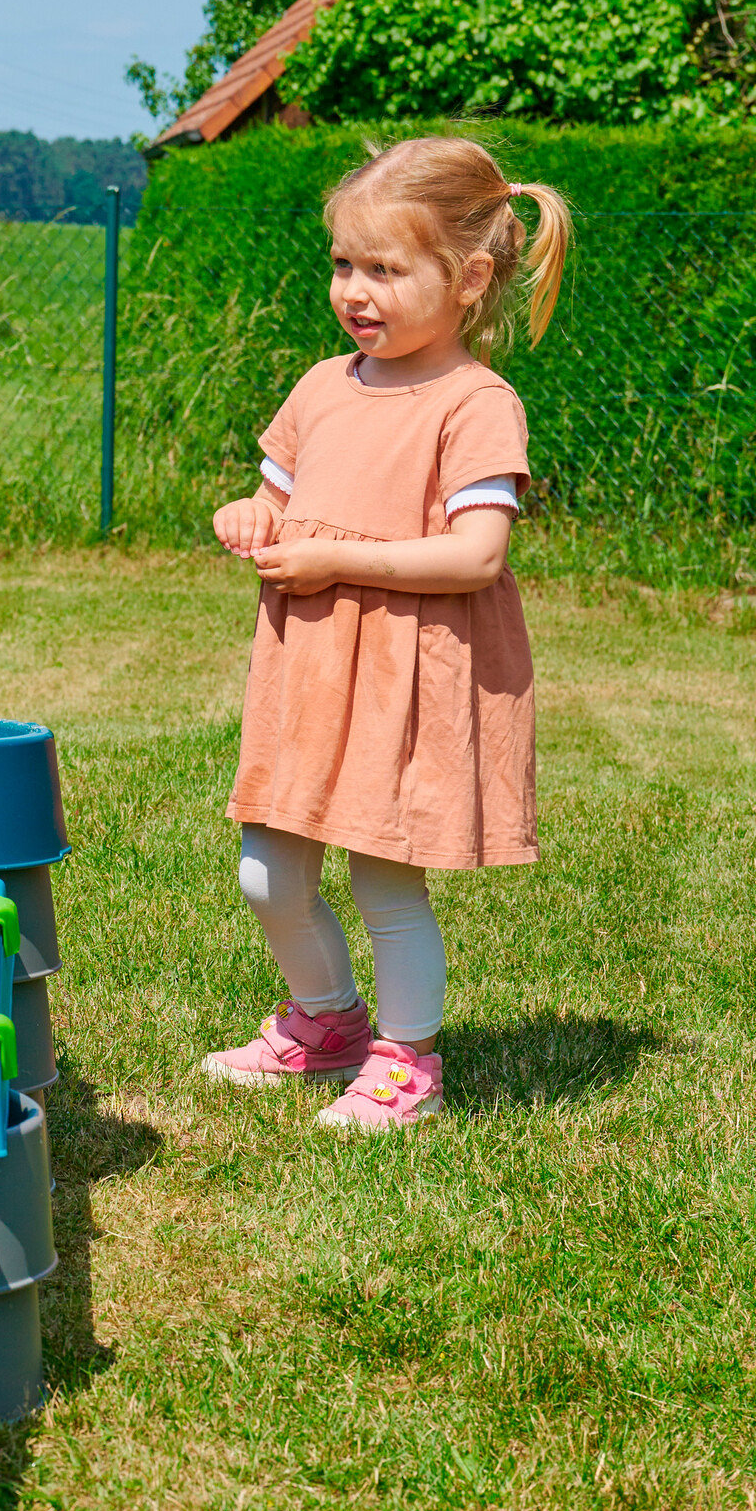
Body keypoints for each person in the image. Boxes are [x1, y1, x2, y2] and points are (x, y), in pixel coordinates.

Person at [199, 136, 572, 1132]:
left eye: (386, 269)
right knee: (265, 873)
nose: (355, 291)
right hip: (310, 674)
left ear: (469, 279)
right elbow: (277, 496)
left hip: (405, 681)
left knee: (382, 880)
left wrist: (338, 563)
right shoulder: (324, 386)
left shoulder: (476, 404)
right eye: (343, 265)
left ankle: (409, 1062)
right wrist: (252, 516)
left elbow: (476, 557)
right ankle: (325, 1023)